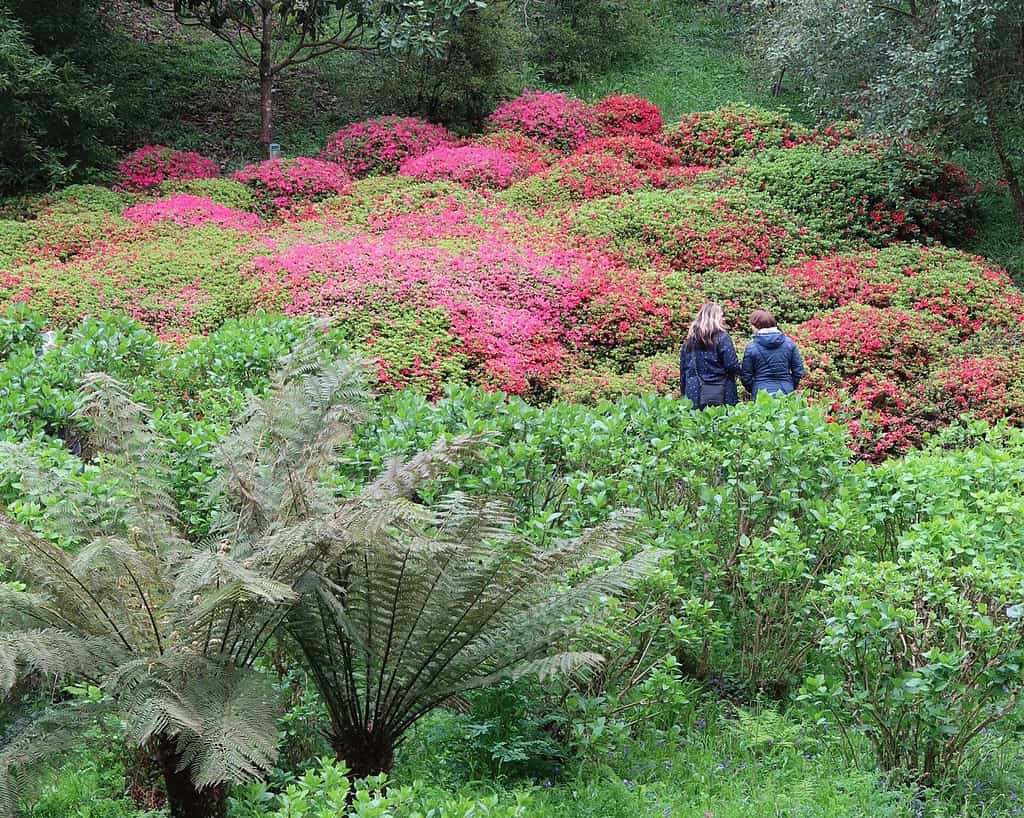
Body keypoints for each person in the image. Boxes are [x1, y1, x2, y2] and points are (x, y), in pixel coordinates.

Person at [680, 302, 740, 409]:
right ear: (715, 318)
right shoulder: (723, 338)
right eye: (721, 316)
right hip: (722, 390)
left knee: (696, 422)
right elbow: (732, 365)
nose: (723, 319)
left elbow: (684, 369)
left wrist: (683, 393)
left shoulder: (689, 341)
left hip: (695, 389)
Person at [740, 309, 805, 397]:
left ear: (756, 326)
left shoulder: (751, 348)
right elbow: (798, 371)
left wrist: (755, 388)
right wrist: (790, 385)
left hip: (761, 393)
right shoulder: (789, 344)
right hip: (786, 390)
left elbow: (746, 376)